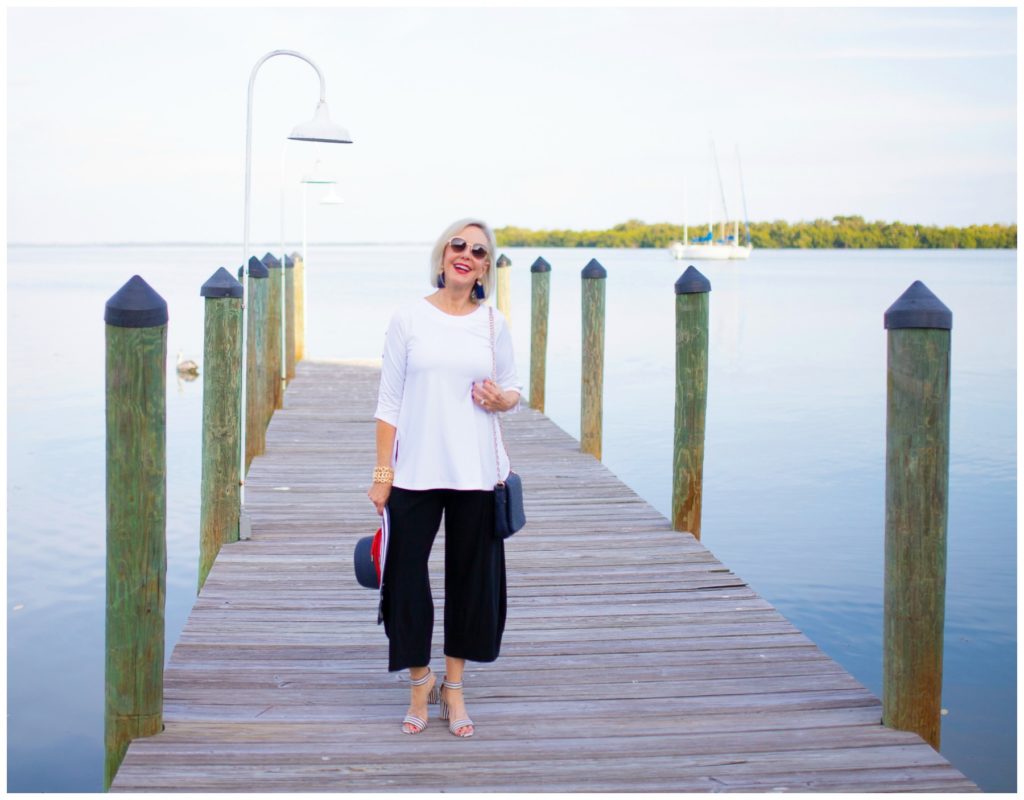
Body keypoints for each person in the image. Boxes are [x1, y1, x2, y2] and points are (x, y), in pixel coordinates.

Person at [368, 218, 522, 738]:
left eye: (478, 251)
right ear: (441, 257)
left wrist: (504, 400)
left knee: (471, 582)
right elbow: (389, 402)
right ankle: (419, 680)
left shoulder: (492, 323)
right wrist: (382, 472)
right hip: (414, 470)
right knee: (403, 577)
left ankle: (453, 687)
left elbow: (513, 391)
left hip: (476, 473)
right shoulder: (408, 317)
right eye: (458, 244)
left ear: (484, 268)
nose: (466, 254)